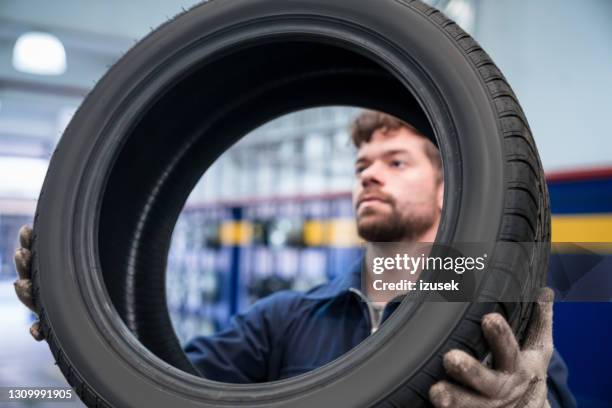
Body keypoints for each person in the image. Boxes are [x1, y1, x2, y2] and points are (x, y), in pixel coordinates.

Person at [14, 111, 576, 407]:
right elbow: (150, 382)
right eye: (362, 166)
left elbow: (544, 394)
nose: (370, 174)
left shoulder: (492, 316)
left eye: (396, 162)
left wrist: (527, 406)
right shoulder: (283, 318)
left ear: (446, 192)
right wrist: (77, 314)